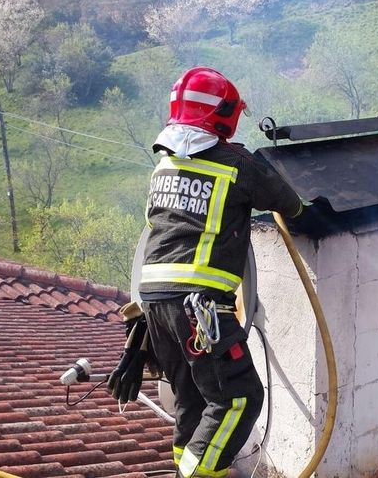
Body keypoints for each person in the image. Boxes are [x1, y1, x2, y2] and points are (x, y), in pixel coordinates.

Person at [107, 66, 302, 478]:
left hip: (153, 308)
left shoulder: (162, 166)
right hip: (199, 310)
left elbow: (156, 234)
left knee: (194, 401)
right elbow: (291, 204)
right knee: (240, 398)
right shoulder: (237, 163)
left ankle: (186, 467)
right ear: (225, 115)